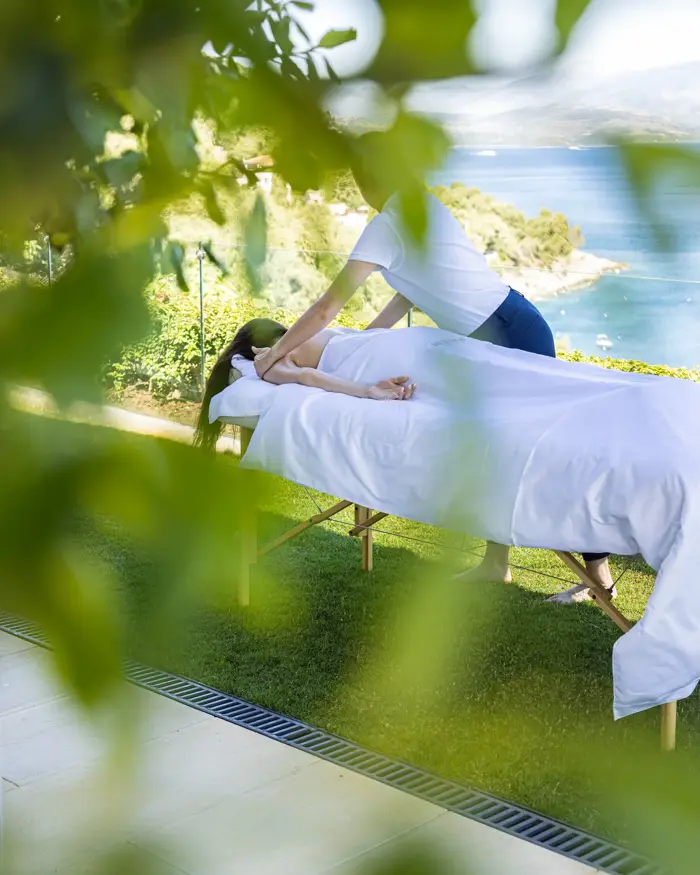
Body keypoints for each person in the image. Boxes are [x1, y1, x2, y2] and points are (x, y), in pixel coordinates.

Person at [249, 133, 614, 597]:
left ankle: (597, 574)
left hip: (507, 334)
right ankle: (496, 563)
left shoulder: (388, 223)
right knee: (497, 452)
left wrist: (278, 353)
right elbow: (409, 291)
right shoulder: (421, 206)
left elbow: (326, 308)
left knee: (551, 450)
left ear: (365, 181)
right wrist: (368, 341)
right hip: (509, 324)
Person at [194, 317, 415, 452]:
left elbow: (359, 340)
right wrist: (367, 390)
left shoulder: (284, 351)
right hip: (378, 348)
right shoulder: (274, 360)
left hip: (375, 345)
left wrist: (368, 390)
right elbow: (308, 376)